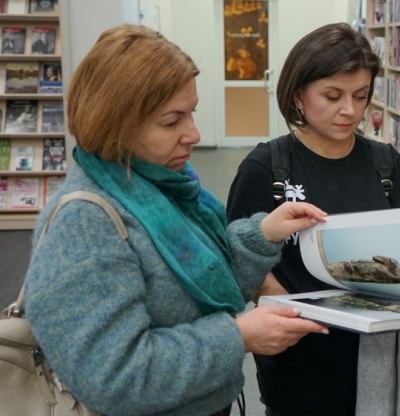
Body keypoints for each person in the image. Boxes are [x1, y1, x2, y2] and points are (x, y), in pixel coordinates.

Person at [23, 24, 329, 416]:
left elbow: (204, 292)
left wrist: (262, 236)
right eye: (172, 121)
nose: (194, 134)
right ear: (115, 124)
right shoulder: (84, 225)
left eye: (191, 113)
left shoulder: (162, 188)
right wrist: (237, 337)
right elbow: (115, 377)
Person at [226, 22, 400, 416]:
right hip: (301, 359)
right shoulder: (265, 168)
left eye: (361, 96)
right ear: (298, 94)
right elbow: (241, 262)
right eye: (333, 96)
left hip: (380, 359)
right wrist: (303, 312)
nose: (350, 110)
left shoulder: (386, 164)